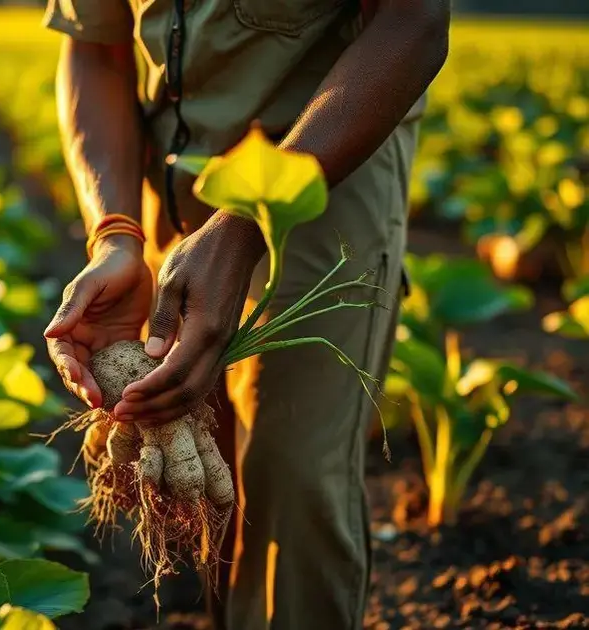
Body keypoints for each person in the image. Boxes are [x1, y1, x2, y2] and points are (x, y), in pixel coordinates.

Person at [41, 0, 450, 628]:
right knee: (206, 469)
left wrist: (246, 225)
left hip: (321, 173)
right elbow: (95, 44)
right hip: (171, 176)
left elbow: (413, 22)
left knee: (290, 482)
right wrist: (116, 234)